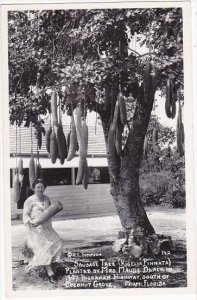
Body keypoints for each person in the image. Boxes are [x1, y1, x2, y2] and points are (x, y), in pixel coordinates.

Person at [23, 178, 63, 283]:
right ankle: (51, 274)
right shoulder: (30, 200)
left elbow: (49, 212)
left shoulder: (46, 198)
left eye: (42, 187)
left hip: (47, 227)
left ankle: (43, 266)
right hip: (36, 229)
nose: (40, 189)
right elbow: (25, 214)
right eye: (38, 187)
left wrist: (56, 209)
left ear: (45, 188)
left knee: (58, 241)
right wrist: (29, 222)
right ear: (34, 188)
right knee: (44, 249)